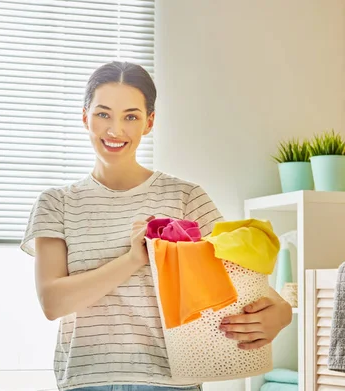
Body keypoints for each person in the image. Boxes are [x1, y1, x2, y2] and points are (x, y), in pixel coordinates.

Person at [20, 61, 292, 391]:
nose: (115, 130)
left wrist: (281, 313)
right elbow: (53, 303)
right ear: (84, 117)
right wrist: (134, 258)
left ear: (148, 123)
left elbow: (241, 277)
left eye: (130, 116)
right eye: (103, 114)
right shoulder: (57, 203)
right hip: (87, 380)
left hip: (171, 382)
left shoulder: (185, 197)